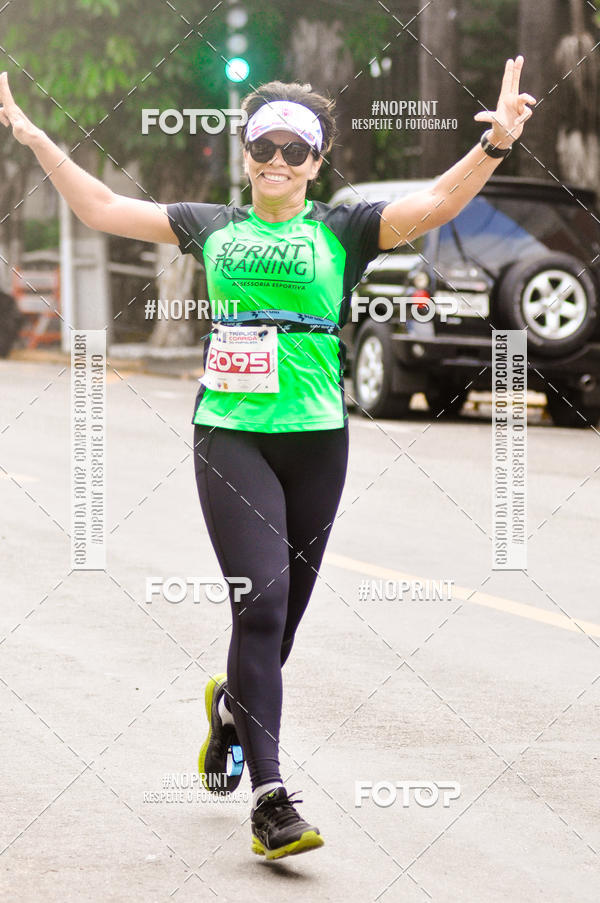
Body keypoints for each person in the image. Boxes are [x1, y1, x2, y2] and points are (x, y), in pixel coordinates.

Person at [0, 57, 535, 860]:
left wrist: (492, 145)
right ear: (243, 153)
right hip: (231, 433)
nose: (277, 162)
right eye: (264, 147)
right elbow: (103, 205)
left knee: (279, 625)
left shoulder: (344, 229)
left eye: (295, 149)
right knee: (262, 606)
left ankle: (228, 714)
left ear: (318, 163)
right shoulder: (211, 226)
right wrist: (36, 136)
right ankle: (271, 799)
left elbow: (436, 202)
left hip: (319, 439)